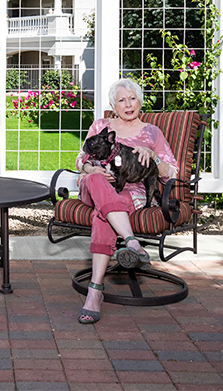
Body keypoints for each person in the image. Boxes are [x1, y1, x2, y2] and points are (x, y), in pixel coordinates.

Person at [75, 78, 177, 324]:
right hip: (94, 185)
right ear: (113, 104)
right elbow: (80, 160)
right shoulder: (100, 126)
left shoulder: (152, 133)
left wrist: (153, 156)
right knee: (99, 182)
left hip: (129, 192)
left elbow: (172, 172)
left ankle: (94, 292)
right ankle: (132, 241)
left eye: (132, 98)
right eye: (122, 100)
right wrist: (91, 169)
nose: (128, 104)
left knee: (104, 215)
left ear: (140, 102)